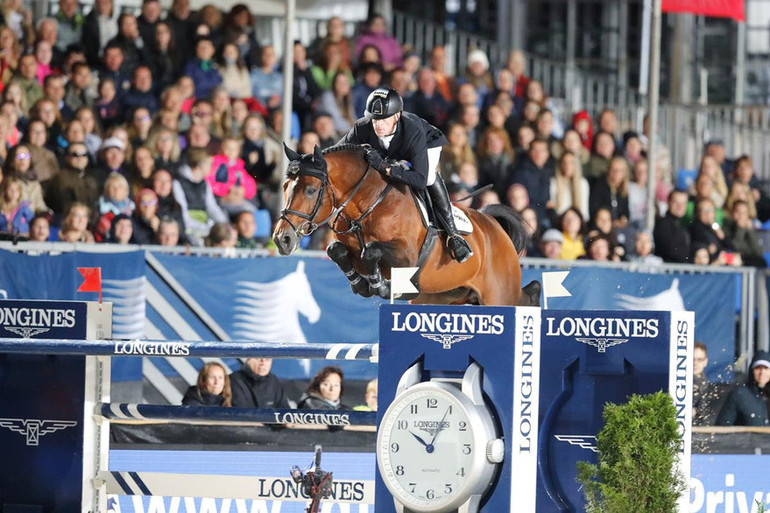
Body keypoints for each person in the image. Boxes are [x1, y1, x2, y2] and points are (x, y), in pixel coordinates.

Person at [338, 87, 473, 262]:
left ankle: (454, 236)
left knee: (430, 177)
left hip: (426, 144)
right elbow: (337, 151)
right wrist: (312, 160)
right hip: (394, 154)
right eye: (374, 119)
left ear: (396, 115)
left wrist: (386, 168)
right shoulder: (362, 127)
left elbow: (420, 180)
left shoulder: (412, 129)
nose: (378, 125)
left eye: (383, 119)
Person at [716, 350, 770, 427]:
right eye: (758, 368)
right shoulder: (739, 394)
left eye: (766, 368)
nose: (762, 373)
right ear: (752, 370)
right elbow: (721, 428)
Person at [653, 190, 691, 263]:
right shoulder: (663, 224)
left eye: (683, 203)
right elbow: (670, 250)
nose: (680, 206)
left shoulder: (684, 224)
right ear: (669, 203)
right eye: (676, 202)